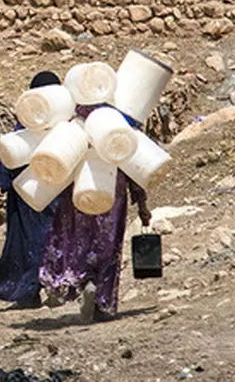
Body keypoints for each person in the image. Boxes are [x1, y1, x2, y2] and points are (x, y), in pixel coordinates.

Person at [38, 112, 152, 321]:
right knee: (108, 247)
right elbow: (134, 164)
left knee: (80, 243)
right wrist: (142, 204)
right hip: (111, 193)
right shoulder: (120, 122)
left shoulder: (71, 121)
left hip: (79, 194)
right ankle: (102, 301)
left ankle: (83, 281)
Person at [0, 71, 65, 309]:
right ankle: (46, 288)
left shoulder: (36, 119)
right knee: (48, 239)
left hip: (29, 194)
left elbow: (12, 150)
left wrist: (2, 183)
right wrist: (2, 182)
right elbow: (14, 149)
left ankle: (32, 292)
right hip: (48, 192)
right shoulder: (58, 121)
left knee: (33, 242)